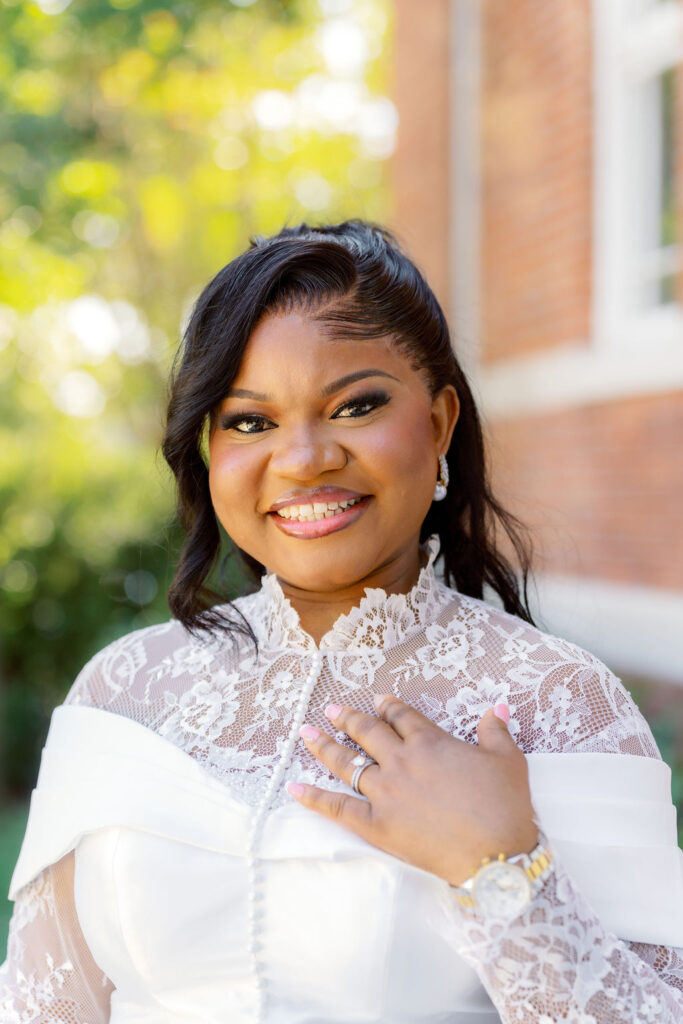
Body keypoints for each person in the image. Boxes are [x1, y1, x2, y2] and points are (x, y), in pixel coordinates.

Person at [1, 219, 682, 1024]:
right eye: (249, 421)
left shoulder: (556, 701)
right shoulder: (122, 691)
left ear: (439, 422)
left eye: (355, 406)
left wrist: (500, 867)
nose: (303, 458)